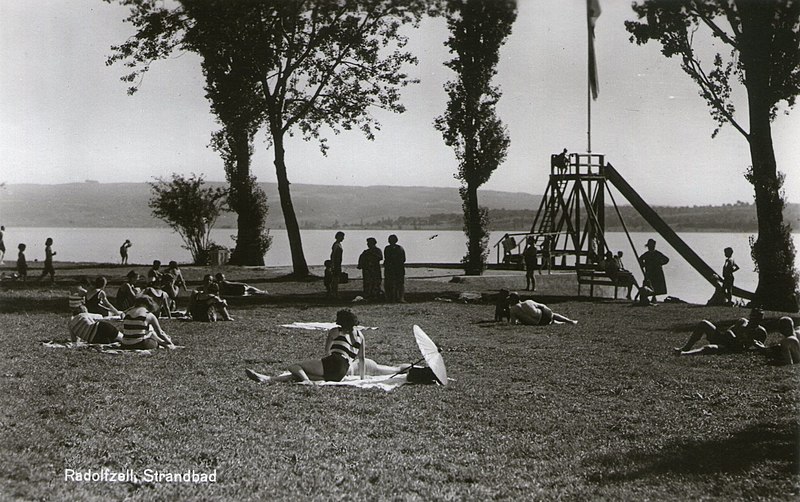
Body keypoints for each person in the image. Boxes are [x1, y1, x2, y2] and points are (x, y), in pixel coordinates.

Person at [245, 309, 366, 384]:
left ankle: (306, 381)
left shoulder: (336, 331)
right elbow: (362, 359)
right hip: (341, 372)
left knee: (294, 366)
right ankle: (266, 379)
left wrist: (325, 359)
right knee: (296, 376)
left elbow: (327, 351)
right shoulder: (361, 336)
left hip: (334, 361)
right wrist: (362, 379)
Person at [674, 309, 767, 356]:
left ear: (760, 320)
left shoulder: (761, 332)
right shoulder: (743, 321)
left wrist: (747, 345)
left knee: (709, 348)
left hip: (732, 348)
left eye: (756, 319)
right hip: (724, 338)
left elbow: (760, 349)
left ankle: (684, 354)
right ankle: (686, 348)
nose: (753, 320)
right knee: (704, 323)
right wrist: (732, 335)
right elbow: (729, 330)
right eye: (752, 317)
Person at [507, 292, 577, 325]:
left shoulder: (513, 309)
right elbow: (542, 306)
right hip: (545, 315)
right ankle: (570, 321)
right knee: (553, 315)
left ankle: (559, 322)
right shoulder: (529, 301)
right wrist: (550, 312)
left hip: (537, 322)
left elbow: (513, 323)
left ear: (512, 300)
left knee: (549, 321)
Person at [638, 238, 669, 303]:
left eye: (651, 246)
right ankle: (645, 297)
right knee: (648, 284)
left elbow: (666, 259)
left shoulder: (657, 253)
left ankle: (653, 297)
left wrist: (660, 263)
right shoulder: (646, 254)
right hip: (649, 272)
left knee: (656, 285)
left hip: (657, 272)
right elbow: (640, 259)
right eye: (649, 246)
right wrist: (643, 265)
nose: (650, 247)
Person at [384, 234, 406, 302]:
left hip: (392, 268)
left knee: (393, 284)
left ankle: (394, 298)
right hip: (397, 268)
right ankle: (399, 298)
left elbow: (387, 258)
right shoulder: (400, 248)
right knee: (399, 284)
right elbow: (404, 259)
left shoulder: (387, 248)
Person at [329, 231, 345, 299]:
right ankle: (334, 293)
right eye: (342, 237)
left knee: (336, 279)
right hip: (336, 264)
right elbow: (333, 255)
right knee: (335, 279)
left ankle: (334, 293)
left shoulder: (338, 244)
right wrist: (333, 265)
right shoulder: (336, 245)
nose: (343, 238)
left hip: (338, 263)